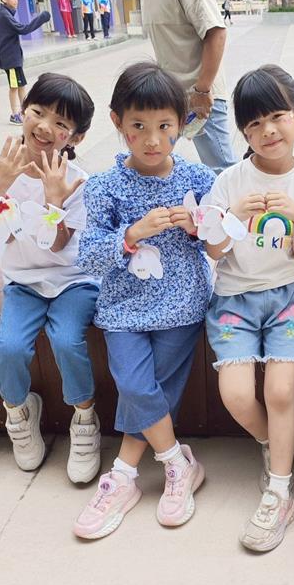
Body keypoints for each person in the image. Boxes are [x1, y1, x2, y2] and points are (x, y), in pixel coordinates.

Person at [72, 62, 215, 540]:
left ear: (181, 124)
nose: (153, 140)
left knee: (155, 389)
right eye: (139, 126)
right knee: (135, 384)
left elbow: (220, 241)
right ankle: (176, 462)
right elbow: (88, 256)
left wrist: (198, 227)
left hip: (182, 305)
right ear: (117, 122)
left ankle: (123, 476)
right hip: (123, 309)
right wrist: (131, 234)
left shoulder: (199, 178)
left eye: (164, 126)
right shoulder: (104, 186)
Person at [198, 66, 294, 551]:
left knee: (281, 390)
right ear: (243, 133)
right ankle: (273, 443)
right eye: (253, 124)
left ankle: (280, 492)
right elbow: (214, 250)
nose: (267, 131)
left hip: (288, 295)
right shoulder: (229, 181)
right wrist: (231, 218)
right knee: (236, 395)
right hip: (234, 300)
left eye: (277, 117)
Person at [0, 74, 102, 481]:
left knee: (67, 340)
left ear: (76, 138)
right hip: (22, 281)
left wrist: (54, 201)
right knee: (9, 347)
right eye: (38, 112)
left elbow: (58, 246)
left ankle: (85, 418)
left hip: (73, 280)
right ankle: (18, 412)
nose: (45, 126)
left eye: (61, 123)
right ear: (23, 111)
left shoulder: (78, 181)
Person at [115, 0, 238, 175]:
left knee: (222, 171)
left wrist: (202, 90)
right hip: (171, 98)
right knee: (150, 162)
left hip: (200, 98)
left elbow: (216, 32)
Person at [0, 0, 50, 126]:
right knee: (14, 87)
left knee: (21, 85)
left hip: (14, 56)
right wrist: (41, 18)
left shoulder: (7, 13)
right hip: (10, 58)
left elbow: (0, 35)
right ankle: (14, 114)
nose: (16, 0)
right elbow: (23, 29)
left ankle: (24, 111)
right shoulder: (5, 15)